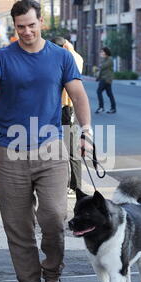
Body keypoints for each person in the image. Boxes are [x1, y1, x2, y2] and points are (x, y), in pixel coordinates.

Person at [0, 0, 92, 282]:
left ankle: (52, 274)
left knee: (53, 216)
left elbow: (78, 95)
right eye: (20, 26)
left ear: (41, 23)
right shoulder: (1, 56)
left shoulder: (61, 56)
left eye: (31, 25)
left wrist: (86, 131)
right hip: (10, 153)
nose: (26, 31)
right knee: (18, 225)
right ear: (15, 26)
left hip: (51, 149)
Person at [51, 36, 83, 197]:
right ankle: (69, 183)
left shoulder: (73, 58)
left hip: (69, 108)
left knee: (71, 148)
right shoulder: (68, 56)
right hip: (63, 108)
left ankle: (76, 186)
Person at [95, 47, 116, 114]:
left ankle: (101, 107)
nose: (101, 53)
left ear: (106, 52)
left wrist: (100, 65)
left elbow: (103, 67)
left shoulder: (110, 59)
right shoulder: (105, 59)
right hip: (104, 79)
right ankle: (113, 108)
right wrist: (98, 78)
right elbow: (101, 70)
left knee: (99, 91)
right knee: (109, 94)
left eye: (102, 52)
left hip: (106, 79)